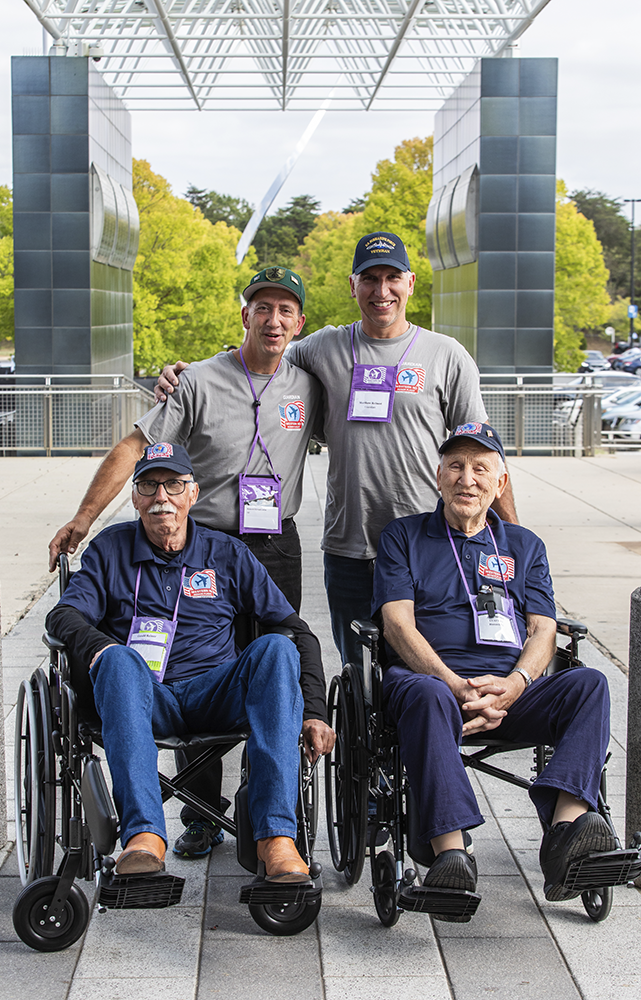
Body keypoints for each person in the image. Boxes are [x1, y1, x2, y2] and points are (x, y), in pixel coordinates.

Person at [48, 265, 320, 858]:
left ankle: (265, 815)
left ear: (299, 323)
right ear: (243, 314)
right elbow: (137, 447)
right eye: (261, 308)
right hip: (204, 532)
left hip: (273, 542)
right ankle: (201, 812)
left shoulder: (310, 382)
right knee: (191, 649)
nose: (273, 320)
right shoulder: (196, 380)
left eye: (285, 311)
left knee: (271, 662)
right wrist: (85, 517)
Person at [156, 232, 518, 669]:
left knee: (429, 664)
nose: (381, 291)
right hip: (350, 546)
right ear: (353, 285)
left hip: (429, 543)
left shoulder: (446, 356)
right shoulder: (322, 348)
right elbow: (259, 358)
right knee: (357, 669)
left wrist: (510, 542)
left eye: (391, 278)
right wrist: (188, 373)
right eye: (369, 279)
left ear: (411, 283)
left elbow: (486, 462)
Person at [45, 442, 335, 881]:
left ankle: (276, 838)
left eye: (173, 485)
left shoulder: (228, 554)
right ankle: (144, 837)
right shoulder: (109, 550)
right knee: (118, 660)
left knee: (277, 648)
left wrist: (313, 710)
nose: (161, 497)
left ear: (192, 494)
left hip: (214, 691)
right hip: (142, 695)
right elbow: (63, 615)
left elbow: (296, 629)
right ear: (135, 496)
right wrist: (101, 648)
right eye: (148, 485)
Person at [371, 422, 616, 910]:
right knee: (426, 693)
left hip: (510, 691)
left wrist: (515, 683)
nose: (468, 479)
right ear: (437, 476)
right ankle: (450, 853)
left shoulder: (524, 546)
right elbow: (397, 625)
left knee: (589, 684)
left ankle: (566, 830)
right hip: (432, 685)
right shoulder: (403, 536)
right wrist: (457, 685)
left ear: (499, 484)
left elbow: (544, 630)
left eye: (481, 468)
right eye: (456, 466)